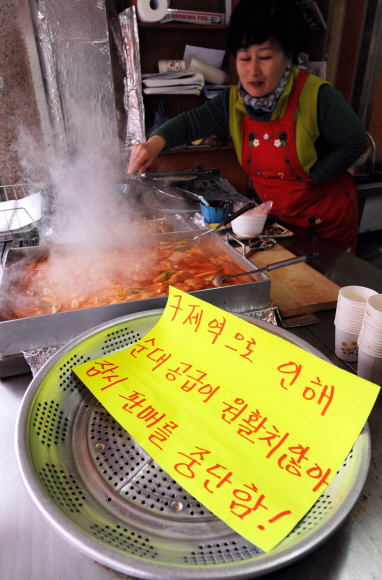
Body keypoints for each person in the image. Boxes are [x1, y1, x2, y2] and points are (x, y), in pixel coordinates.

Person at [128, 0, 369, 252]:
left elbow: (356, 143)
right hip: (281, 219)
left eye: (265, 57)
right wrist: (154, 144)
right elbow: (189, 123)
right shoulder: (232, 102)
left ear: (288, 56)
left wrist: (315, 177)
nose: (253, 70)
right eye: (244, 58)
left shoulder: (317, 96)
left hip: (327, 221)